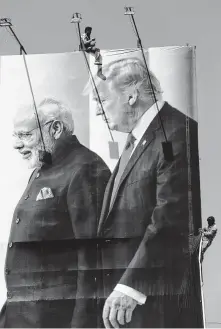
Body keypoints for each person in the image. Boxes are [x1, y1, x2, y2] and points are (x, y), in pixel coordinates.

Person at [91, 57, 203, 328]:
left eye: (102, 101)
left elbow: (171, 219)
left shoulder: (176, 133)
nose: (97, 112)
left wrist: (131, 286)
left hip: (154, 306)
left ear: (131, 96)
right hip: (126, 304)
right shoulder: (138, 139)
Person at [0, 98, 111, 328]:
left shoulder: (85, 168)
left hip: (55, 320)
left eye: (25, 135)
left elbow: (93, 258)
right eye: (16, 135)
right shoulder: (45, 167)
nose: (16, 144)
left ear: (56, 128)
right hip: (23, 317)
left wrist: (83, 323)